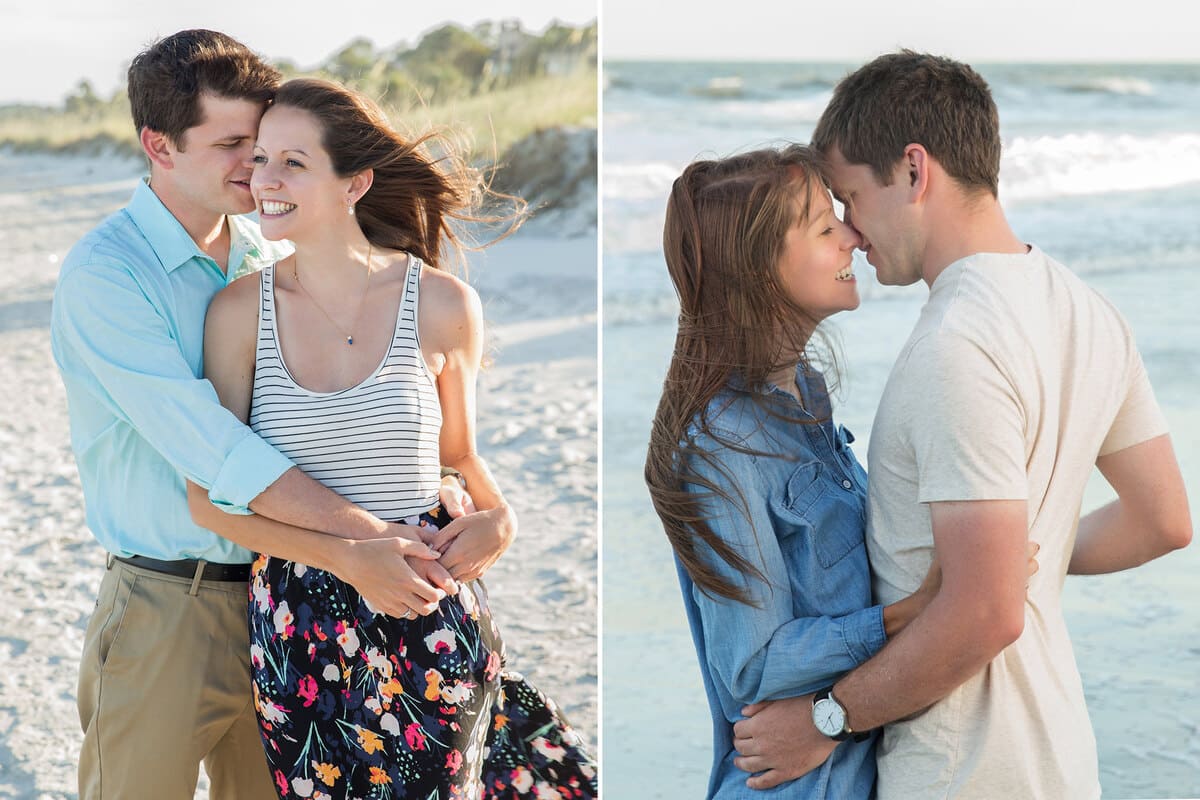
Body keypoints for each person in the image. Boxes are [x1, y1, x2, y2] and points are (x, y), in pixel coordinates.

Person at [51, 30, 506, 799]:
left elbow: (393, 432)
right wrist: (369, 539)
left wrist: (469, 505)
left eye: (263, 144)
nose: (254, 168)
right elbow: (220, 457)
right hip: (172, 606)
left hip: (290, 606)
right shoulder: (109, 276)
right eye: (234, 144)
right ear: (158, 145)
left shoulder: (267, 254)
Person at [730, 51, 1192, 799]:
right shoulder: (1090, 312)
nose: (849, 231)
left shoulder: (954, 347)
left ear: (914, 171)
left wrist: (824, 717)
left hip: (961, 769)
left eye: (850, 196)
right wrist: (1003, 553)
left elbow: (987, 612)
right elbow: (1163, 520)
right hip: (1061, 758)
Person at [186, 76, 596, 799]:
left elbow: (459, 459)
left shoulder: (441, 303)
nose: (264, 179)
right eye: (260, 157)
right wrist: (349, 557)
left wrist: (502, 517)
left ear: (356, 184)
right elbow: (210, 503)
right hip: (300, 621)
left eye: (293, 162)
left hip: (426, 608)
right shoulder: (237, 314)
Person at [643, 145, 1038, 798]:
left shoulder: (804, 393)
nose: (853, 235)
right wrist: (908, 615)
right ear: (759, 270)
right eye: (826, 229)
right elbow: (751, 664)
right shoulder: (719, 444)